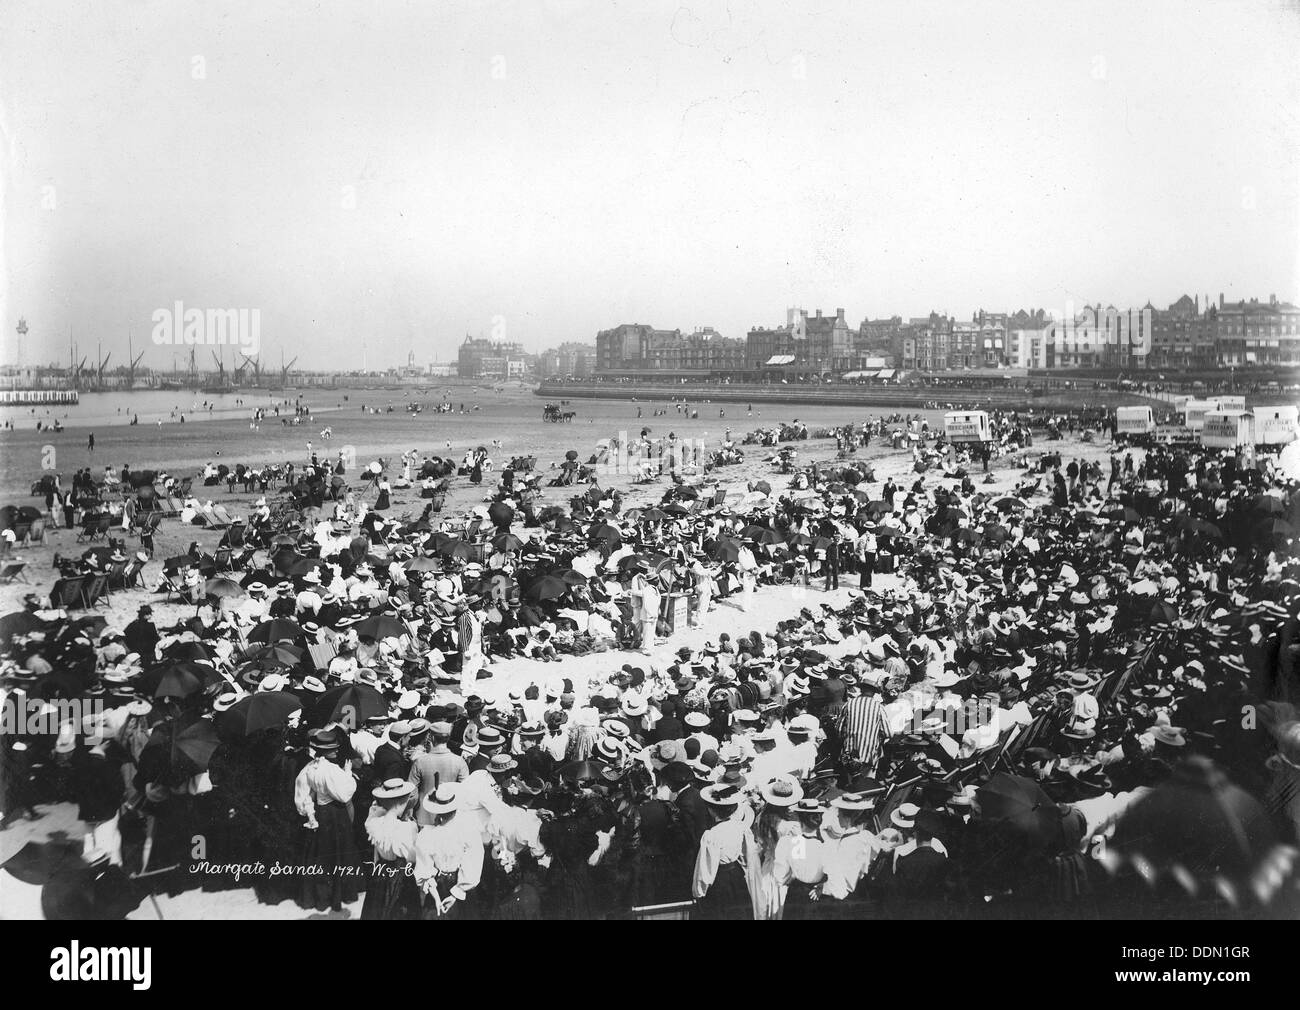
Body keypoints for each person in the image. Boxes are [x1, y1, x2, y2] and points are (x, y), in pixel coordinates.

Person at [414, 784, 484, 919]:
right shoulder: (468, 831)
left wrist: (436, 898)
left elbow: (424, 869)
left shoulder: (427, 834)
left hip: (438, 885)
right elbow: (472, 866)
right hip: (460, 886)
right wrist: (455, 894)